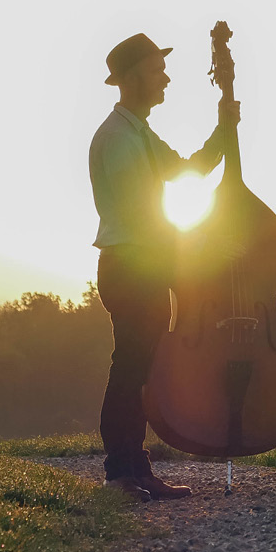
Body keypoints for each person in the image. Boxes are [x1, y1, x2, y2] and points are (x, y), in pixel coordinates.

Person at [88, 32, 240, 501]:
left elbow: (184, 169)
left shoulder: (137, 131)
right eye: (157, 70)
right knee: (130, 369)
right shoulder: (116, 138)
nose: (166, 78)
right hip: (132, 264)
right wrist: (197, 254)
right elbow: (142, 218)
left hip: (143, 264)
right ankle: (120, 474)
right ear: (132, 78)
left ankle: (136, 470)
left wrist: (223, 127)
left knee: (137, 369)